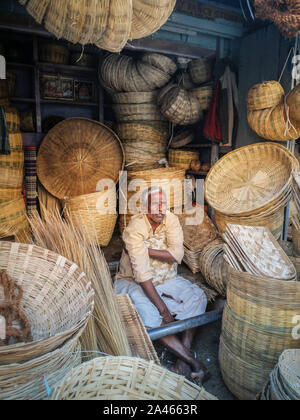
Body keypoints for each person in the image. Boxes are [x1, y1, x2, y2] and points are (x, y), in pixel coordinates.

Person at [114, 186, 209, 385]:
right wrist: (163, 309)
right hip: (133, 281)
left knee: (198, 297)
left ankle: (182, 357)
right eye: (155, 204)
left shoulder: (171, 220)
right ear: (144, 207)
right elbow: (142, 276)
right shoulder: (135, 228)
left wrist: (144, 250)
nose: (160, 209)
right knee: (149, 314)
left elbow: (177, 255)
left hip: (166, 277)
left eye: (163, 204)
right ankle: (193, 362)